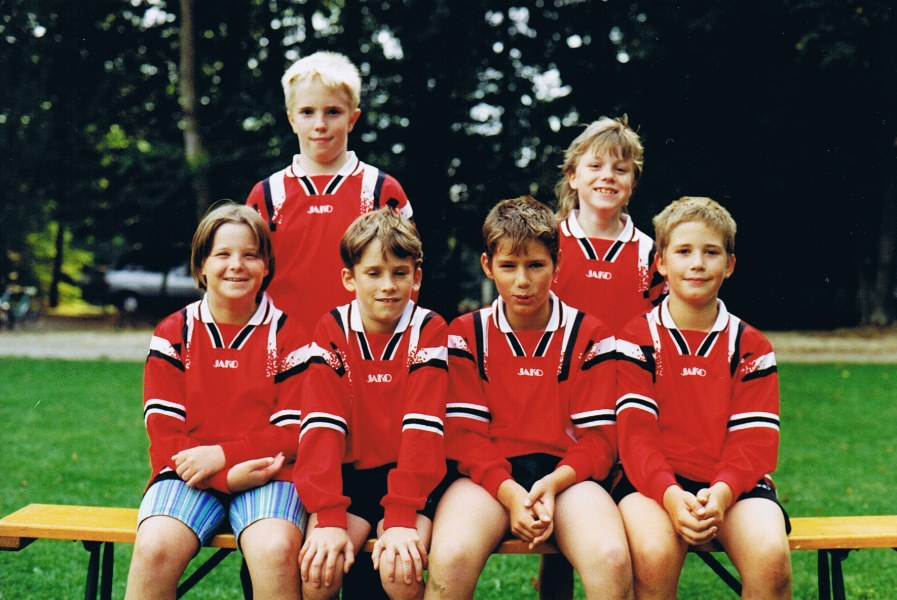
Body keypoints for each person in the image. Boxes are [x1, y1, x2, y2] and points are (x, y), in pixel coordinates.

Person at [425, 197, 632, 599]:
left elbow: (600, 440)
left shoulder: (590, 334)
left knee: (610, 558)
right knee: (450, 556)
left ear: (557, 263)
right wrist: (510, 493)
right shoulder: (466, 333)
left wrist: (552, 484)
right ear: (488, 266)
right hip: (486, 480)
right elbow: (463, 436)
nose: (522, 281)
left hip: (567, 479)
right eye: (508, 266)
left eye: (536, 265)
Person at [125, 203, 309, 600]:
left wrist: (224, 455)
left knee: (275, 550)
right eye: (223, 254)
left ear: (266, 265)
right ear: (201, 265)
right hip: (188, 473)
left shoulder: (289, 334)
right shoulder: (174, 332)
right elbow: (164, 433)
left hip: (269, 472)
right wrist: (224, 477)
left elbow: (293, 431)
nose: (236, 265)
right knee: (155, 547)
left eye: (250, 254)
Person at [614, 196, 792, 599]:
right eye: (683, 251)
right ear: (660, 262)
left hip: (733, 485)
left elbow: (754, 440)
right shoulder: (636, 338)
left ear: (729, 265)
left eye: (711, 252)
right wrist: (670, 494)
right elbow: (636, 436)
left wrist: (723, 493)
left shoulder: (751, 345)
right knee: (655, 554)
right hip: (652, 485)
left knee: (770, 558)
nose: (697, 263)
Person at [294, 208, 448, 600]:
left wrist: (400, 517)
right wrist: (328, 516)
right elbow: (321, 425)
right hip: (350, 481)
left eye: (400, 273)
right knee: (319, 574)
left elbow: (423, 428)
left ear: (416, 277)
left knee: (400, 571)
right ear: (350, 278)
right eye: (374, 273)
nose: (388, 286)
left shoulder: (428, 329)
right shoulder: (332, 328)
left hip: (412, 483)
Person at [246, 50, 413, 333]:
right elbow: (247, 280)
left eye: (333, 112)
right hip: (283, 348)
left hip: (363, 346)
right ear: (292, 120)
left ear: (352, 119)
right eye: (307, 112)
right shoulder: (267, 195)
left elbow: (407, 273)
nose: (320, 124)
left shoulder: (380, 190)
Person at [552, 115, 666, 333]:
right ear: (572, 176)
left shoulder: (649, 253)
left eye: (620, 169)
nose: (607, 176)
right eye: (595, 166)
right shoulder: (548, 243)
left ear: (633, 183)